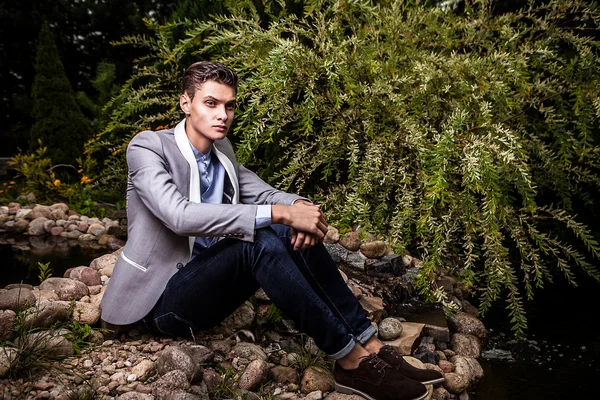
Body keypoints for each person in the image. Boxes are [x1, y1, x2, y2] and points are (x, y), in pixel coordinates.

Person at [100, 61, 443, 400]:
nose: (223, 114)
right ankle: (350, 361)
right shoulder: (148, 147)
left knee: (278, 228)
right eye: (211, 103)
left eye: (229, 105)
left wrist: (299, 208)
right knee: (261, 236)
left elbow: (264, 192)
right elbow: (178, 215)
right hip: (161, 301)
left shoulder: (222, 153)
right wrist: (280, 214)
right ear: (186, 103)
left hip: (207, 288)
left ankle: (370, 345)